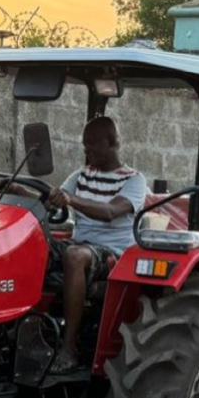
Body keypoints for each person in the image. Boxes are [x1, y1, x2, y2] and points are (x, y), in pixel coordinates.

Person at [44, 117, 146, 372]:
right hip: (80, 242)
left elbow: (111, 211)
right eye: (84, 144)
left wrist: (71, 199)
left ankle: (69, 348)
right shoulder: (81, 175)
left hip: (113, 254)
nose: (86, 149)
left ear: (112, 142)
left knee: (74, 256)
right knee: (34, 244)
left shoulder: (133, 180)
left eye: (91, 143)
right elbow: (53, 199)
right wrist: (19, 190)